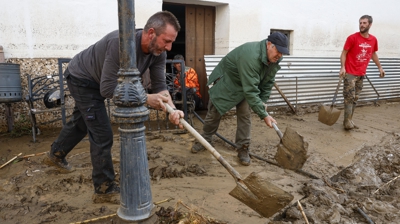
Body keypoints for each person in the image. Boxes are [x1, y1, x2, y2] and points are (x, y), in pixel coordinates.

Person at [43, 11, 184, 203]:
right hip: (82, 78)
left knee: (83, 121)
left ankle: (56, 154)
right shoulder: (121, 44)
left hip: (99, 80)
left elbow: (160, 87)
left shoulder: (158, 53)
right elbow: (108, 88)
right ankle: (104, 190)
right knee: (102, 133)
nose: (168, 47)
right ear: (151, 33)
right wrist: (145, 98)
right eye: (166, 41)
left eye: (171, 42)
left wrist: (173, 109)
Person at [191, 32, 289, 166]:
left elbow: (268, 81)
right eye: (278, 51)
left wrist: (263, 101)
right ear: (269, 45)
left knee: (245, 115)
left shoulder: (275, 59)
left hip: (246, 85)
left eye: (283, 53)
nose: (280, 56)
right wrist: (264, 115)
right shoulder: (251, 56)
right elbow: (251, 90)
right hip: (228, 82)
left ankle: (243, 148)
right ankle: (204, 139)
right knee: (215, 113)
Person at [339, 15, 385, 130]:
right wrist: (343, 67)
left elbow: (373, 54)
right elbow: (344, 53)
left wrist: (380, 67)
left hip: (361, 73)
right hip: (350, 72)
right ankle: (347, 123)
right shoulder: (352, 38)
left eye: (364, 23)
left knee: (355, 98)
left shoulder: (373, 40)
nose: (362, 25)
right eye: (360, 23)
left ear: (370, 25)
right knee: (349, 97)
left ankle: (349, 120)